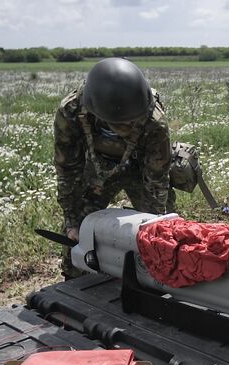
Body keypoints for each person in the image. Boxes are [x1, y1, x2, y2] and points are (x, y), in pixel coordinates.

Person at [55, 57, 175, 275]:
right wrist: (71, 219)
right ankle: (74, 280)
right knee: (76, 233)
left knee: (161, 233)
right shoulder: (71, 111)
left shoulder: (154, 121)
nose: (129, 127)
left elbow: (157, 178)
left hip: (141, 170)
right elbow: (68, 167)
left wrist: (154, 222)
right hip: (97, 169)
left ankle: (157, 278)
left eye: (132, 122)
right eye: (121, 124)